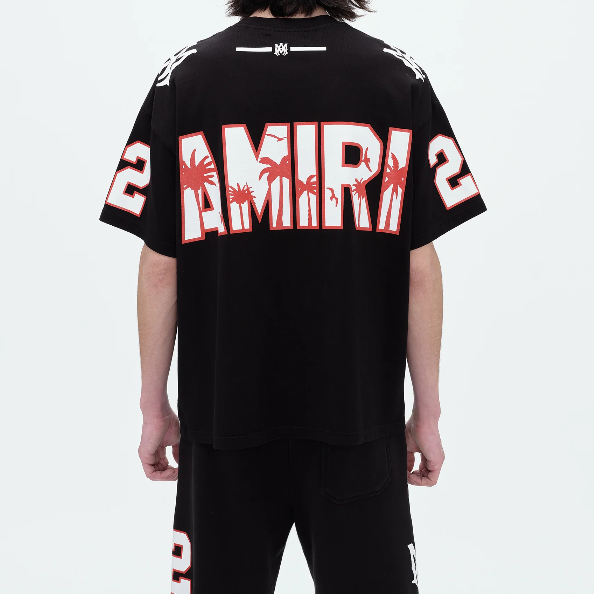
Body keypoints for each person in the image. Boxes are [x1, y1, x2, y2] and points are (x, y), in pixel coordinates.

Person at [100, 0, 486, 591]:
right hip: (357, 421)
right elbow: (419, 270)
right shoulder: (394, 77)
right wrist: (427, 413)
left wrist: (153, 407)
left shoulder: (187, 78)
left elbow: (159, 268)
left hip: (223, 422)